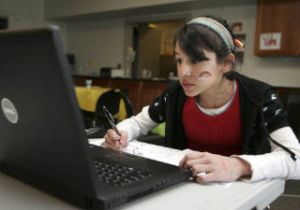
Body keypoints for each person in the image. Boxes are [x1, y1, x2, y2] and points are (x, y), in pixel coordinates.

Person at [104, 15, 300, 183]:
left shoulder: (259, 97)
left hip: (236, 192)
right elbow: (139, 123)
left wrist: (236, 165)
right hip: (183, 187)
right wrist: (121, 132)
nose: (183, 72)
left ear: (226, 63)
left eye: (196, 60)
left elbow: (296, 159)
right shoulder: (175, 95)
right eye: (179, 59)